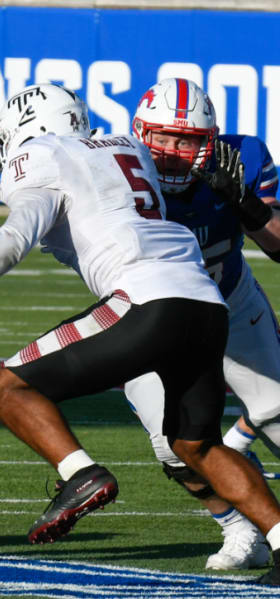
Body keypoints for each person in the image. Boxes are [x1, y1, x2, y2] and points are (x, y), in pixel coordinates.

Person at [0, 82, 280, 585]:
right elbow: (80, 190)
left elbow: (14, 237)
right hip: (202, 303)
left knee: (8, 389)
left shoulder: (45, 154)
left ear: (26, 131)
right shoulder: (125, 149)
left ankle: (81, 474)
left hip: (147, 301)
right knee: (193, 444)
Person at [125, 77, 280, 570]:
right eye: (163, 138)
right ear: (140, 134)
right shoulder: (115, 168)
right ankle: (238, 527)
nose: (172, 152)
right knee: (173, 447)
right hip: (149, 313)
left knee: (277, 413)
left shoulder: (244, 158)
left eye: (186, 140)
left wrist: (245, 203)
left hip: (230, 299)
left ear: (209, 142)